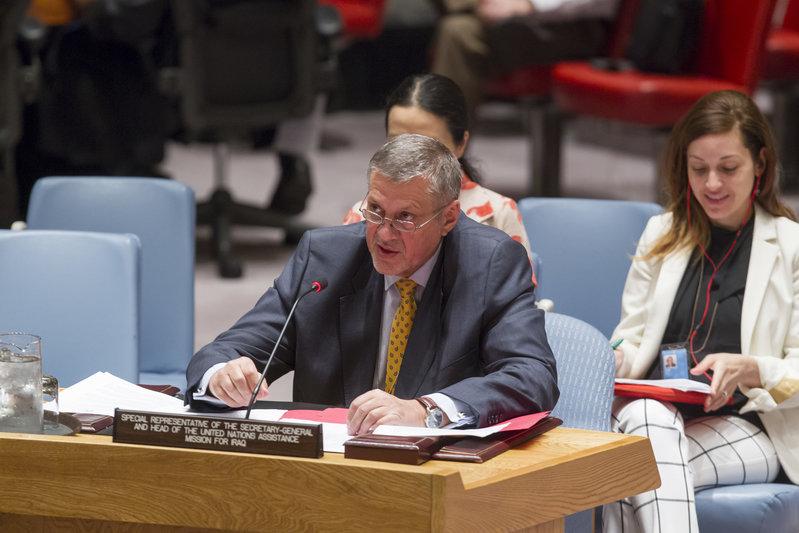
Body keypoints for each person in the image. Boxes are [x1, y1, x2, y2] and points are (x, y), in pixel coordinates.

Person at [186, 133, 558, 435]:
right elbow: (226, 351)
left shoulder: (490, 264)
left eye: (405, 218)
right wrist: (222, 376)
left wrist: (425, 410)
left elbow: (531, 376)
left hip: (437, 473)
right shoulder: (325, 259)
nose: (383, 234)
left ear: (448, 218)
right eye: (375, 210)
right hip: (328, 472)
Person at [606, 90, 799, 532]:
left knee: (625, 470)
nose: (712, 184)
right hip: (657, 412)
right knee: (645, 423)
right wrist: (614, 358)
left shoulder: (791, 246)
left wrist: (752, 369)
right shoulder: (661, 233)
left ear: (760, 164)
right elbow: (631, 338)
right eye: (699, 169)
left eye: (728, 168)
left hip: (753, 425)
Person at [342, 73, 536, 285]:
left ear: (461, 144)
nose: (411, 157)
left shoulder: (497, 215)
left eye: (429, 145)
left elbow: (517, 299)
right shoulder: (362, 215)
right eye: (398, 142)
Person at [431, 0, 619, 112]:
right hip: (506, 17)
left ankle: (438, 158)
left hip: (573, 24)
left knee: (460, 33)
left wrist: (531, 3)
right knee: (452, 26)